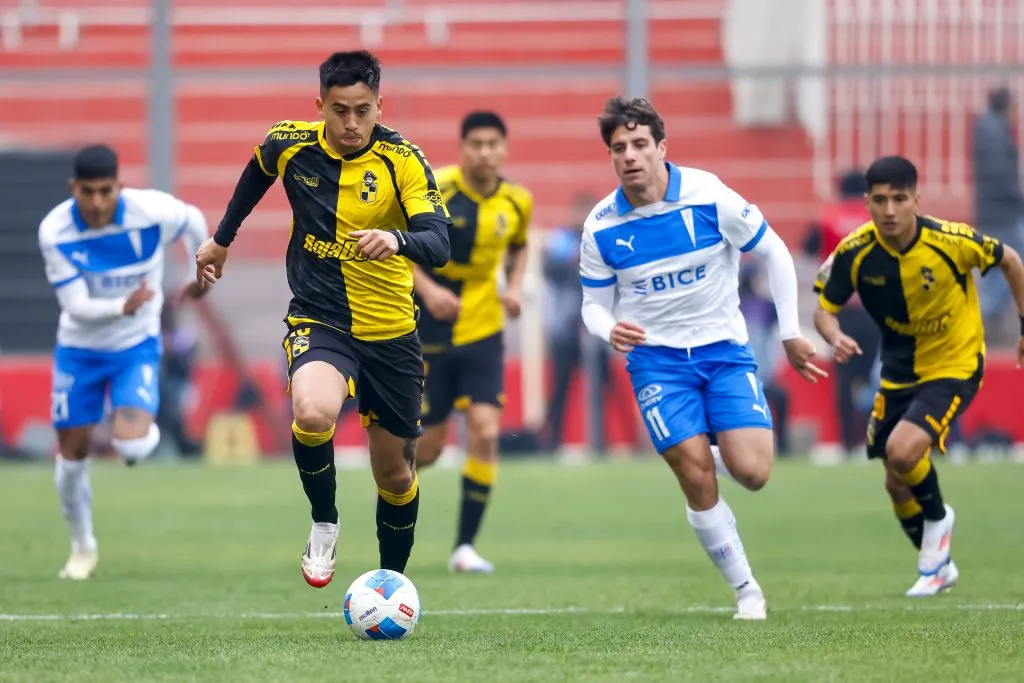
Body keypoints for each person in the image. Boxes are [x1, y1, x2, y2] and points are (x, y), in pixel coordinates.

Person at [195, 51, 450, 589]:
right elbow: (256, 173)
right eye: (340, 111)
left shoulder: (402, 159)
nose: (352, 123)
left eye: (363, 110)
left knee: (395, 474)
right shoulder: (289, 143)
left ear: (381, 106)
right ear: (320, 107)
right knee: (312, 413)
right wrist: (222, 240)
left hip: (391, 333)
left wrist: (396, 238)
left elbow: (439, 243)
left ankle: (389, 586)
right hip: (321, 317)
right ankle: (324, 519)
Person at [579, 97, 825, 621]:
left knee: (754, 472)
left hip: (724, 352)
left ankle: (706, 448)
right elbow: (592, 306)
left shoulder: (709, 197)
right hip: (657, 363)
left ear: (661, 148)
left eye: (640, 144)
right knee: (694, 477)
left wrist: (790, 334)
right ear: (611, 156)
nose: (630, 155)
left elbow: (775, 251)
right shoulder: (600, 227)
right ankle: (747, 591)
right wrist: (609, 329)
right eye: (618, 148)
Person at [814, 155, 1024, 597]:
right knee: (895, 481)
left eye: (899, 199)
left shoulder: (950, 241)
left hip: (955, 363)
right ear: (868, 202)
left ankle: (938, 521)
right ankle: (937, 565)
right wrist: (833, 336)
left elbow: (1011, 260)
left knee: (903, 451)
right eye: (880, 200)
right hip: (897, 374)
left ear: (916, 200)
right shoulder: (854, 252)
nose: (890, 210)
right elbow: (823, 310)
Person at [38, 144, 211, 580]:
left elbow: (193, 220)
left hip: (135, 346)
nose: (97, 203)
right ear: (73, 188)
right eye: (87, 192)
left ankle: (133, 429)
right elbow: (76, 306)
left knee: (131, 447)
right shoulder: (55, 231)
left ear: (119, 186)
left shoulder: (150, 211)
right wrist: (123, 305)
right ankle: (83, 547)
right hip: (79, 349)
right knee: (72, 454)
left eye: (105, 191)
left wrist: (202, 273)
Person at [411, 111, 533, 573]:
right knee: (429, 450)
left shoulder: (518, 201)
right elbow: (398, 246)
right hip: (430, 329)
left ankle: (464, 547)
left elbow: (520, 245)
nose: (485, 152)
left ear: (503, 149)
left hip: (484, 328)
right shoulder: (434, 189)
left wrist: (515, 287)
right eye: (476, 144)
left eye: (493, 144)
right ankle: (393, 496)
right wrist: (429, 290)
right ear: (462, 148)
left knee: (485, 430)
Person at [972, 86, 1024, 334]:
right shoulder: (994, 131)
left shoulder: (989, 128)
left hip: (995, 209)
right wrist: (1018, 198)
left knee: (1000, 265)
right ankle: (985, 312)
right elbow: (1001, 176)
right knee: (1009, 262)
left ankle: (986, 313)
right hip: (1002, 211)